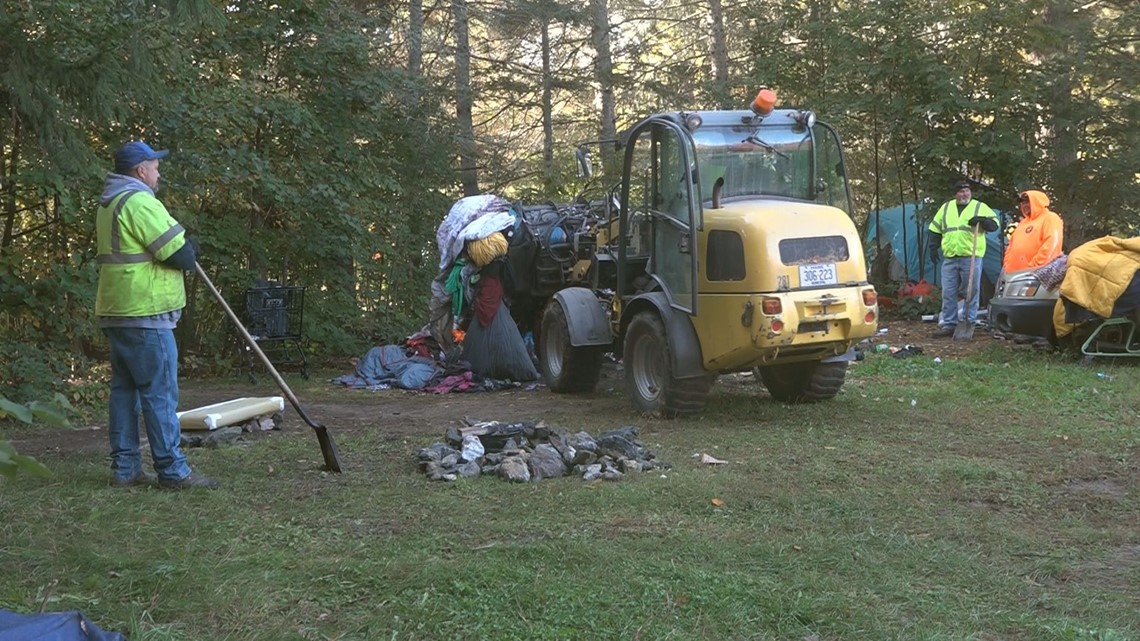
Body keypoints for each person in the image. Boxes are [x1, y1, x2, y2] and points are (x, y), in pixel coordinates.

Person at [95, 140, 218, 489]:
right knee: (159, 393)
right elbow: (177, 253)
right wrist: (190, 247)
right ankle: (172, 471)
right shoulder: (139, 201)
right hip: (145, 312)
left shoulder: (110, 203)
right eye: (155, 166)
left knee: (125, 392)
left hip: (117, 311)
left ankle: (125, 469)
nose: (158, 172)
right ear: (140, 171)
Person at [927, 180, 999, 337]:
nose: (964, 194)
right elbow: (935, 229)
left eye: (967, 191)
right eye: (961, 191)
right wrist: (933, 247)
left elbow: (994, 225)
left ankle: (968, 321)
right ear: (955, 194)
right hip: (950, 257)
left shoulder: (979, 207)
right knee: (948, 292)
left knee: (971, 291)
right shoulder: (946, 208)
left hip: (971, 256)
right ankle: (949, 324)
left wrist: (983, 221)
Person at [1003, 189, 1064, 273]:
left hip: (1034, 276)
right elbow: (1011, 245)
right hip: (1012, 275)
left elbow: (1051, 245)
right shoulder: (1023, 222)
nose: (1024, 205)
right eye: (1022, 203)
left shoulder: (1050, 217)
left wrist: (1033, 268)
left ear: (1037, 202)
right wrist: (1006, 264)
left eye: (1027, 202)